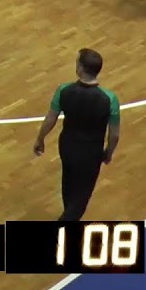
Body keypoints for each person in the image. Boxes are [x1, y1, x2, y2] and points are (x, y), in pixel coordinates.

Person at [32, 48, 120, 222]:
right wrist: (108, 152)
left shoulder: (63, 90)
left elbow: (51, 119)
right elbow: (114, 134)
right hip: (91, 153)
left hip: (67, 148)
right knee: (80, 201)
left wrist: (40, 138)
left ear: (80, 68)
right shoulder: (110, 99)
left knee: (69, 184)